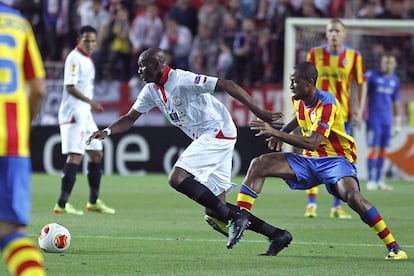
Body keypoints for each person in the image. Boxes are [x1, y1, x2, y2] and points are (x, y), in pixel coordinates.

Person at [87, 47, 291, 252]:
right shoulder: (151, 90)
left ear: (157, 65)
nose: (139, 70)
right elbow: (130, 118)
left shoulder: (182, 80)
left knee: (177, 177)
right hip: (212, 136)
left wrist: (260, 112)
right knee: (214, 209)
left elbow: (226, 84)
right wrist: (106, 131)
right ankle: (277, 235)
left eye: (143, 66)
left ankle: (237, 217)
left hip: (218, 131)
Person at [234, 61, 408, 260]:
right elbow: (300, 117)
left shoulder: (328, 103)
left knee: (353, 197)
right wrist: (282, 132)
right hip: (309, 162)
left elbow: (312, 143)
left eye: (294, 81)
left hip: (336, 160)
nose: (290, 86)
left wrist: (275, 132)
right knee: (259, 163)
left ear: (309, 82)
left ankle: (393, 247)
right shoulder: (299, 99)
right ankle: (239, 219)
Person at [0, 1, 47, 275]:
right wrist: (23, 122)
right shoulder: (19, 23)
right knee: (10, 233)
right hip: (12, 140)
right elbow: (39, 89)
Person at [304, 18, 367, 219]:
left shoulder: (354, 56)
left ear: (343, 34)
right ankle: (311, 205)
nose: (333, 34)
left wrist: (359, 109)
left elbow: (360, 83)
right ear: (326, 33)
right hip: (318, 112)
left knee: (340, 159)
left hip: (342, 117)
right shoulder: (315, 54)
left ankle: (336, 206)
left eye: (337, 31)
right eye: (330, 31)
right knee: (312, 153)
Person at [54, 25, 115, 215]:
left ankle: (93, 202)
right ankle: (62, 204)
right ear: (78, 40)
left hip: (85, 114)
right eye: (86, 40)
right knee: (75, 156)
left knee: (96, 152)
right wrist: (92, 102)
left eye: (93, 41)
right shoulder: (74, 58)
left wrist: (89, 106)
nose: (90, 44)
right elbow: (70, 87)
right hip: (73, 113)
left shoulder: (88, 60)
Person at [365, 52, 402, 191]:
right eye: (385, 62)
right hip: (374, 118)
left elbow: (396, 101)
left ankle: (379, 179)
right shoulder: (372, 77)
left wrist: (397, 121)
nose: (387, 65)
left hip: (387, 119)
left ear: (395, 65)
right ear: (381, 63)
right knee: (372, 148)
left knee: (383, 149)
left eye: (390, 62)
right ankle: (370, 179)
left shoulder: (395, 80)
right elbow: (363, 94)